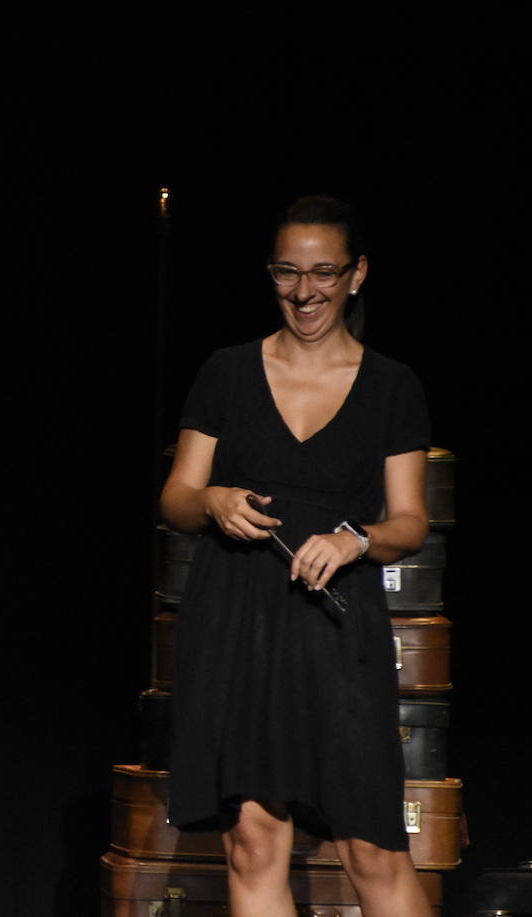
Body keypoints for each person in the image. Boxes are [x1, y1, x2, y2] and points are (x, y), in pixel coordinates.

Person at [159, 196, 433, 916]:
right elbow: (177, 497)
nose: (304, 291)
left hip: (336, 631)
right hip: (234, 623)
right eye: (287, 272)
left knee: (371, 845)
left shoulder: (392, 386)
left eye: (323, 273)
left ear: (357, 274)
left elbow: (410, 519)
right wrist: (213, 498)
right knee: (253, 839)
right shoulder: (225, 372)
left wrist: (357, 538)